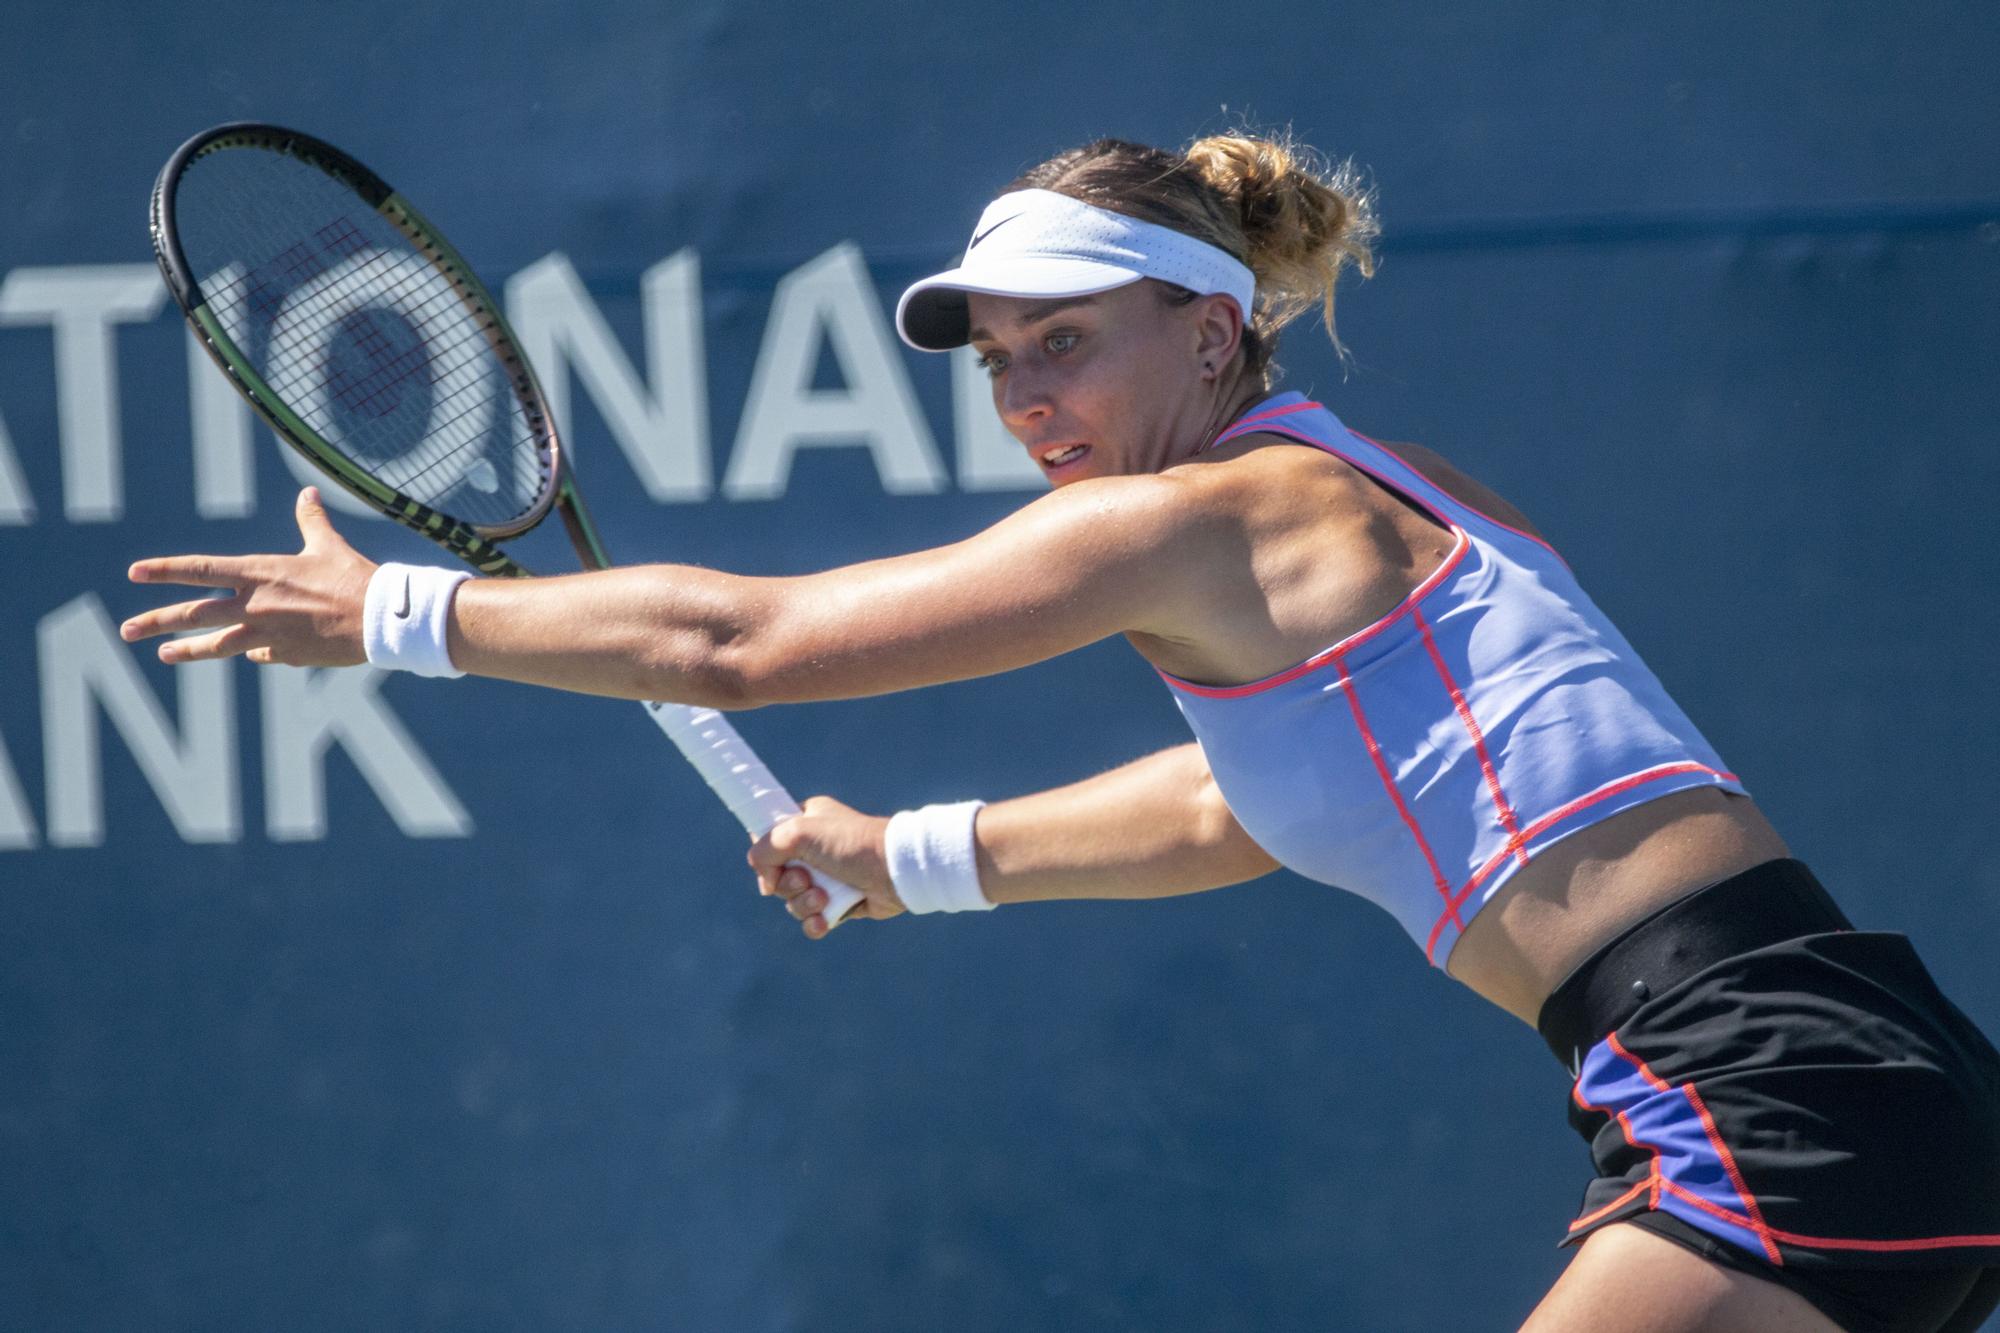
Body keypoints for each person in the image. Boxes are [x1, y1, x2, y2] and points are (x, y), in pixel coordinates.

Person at [123, 131, 2000, 1331]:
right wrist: (914, 861)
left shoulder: (1200, 518)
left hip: (1755, 1081)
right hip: (1837, 1057)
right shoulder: (1362, 491)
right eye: (998, 362)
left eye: (1064, 342)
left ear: (1208, 331)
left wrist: (394, 614)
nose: (1026, 396)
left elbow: (741, 642)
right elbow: (1251, 807)